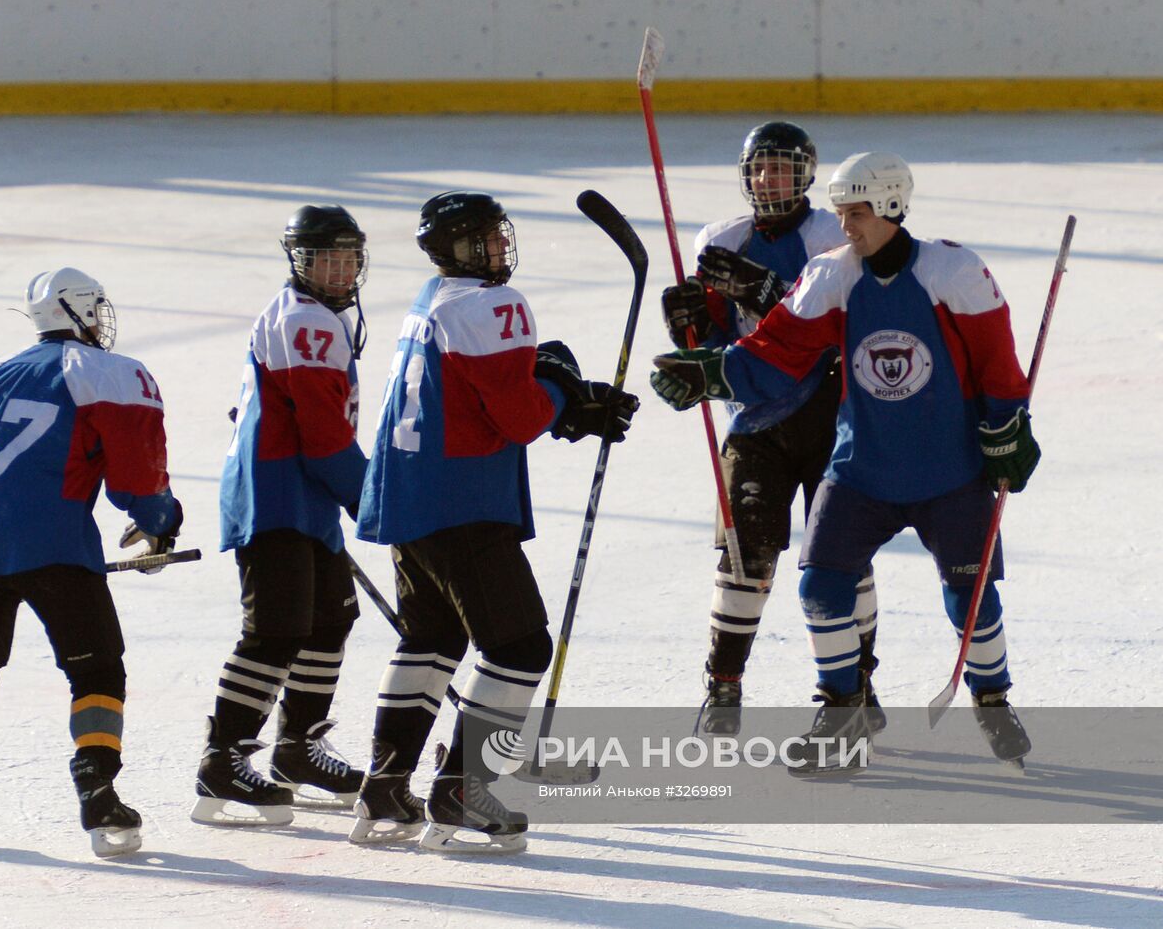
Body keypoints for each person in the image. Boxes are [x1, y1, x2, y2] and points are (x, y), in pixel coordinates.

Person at [651, 152, 1039, 774]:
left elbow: (997, 361)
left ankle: (992, 697)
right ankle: (841, 710)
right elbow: (777, 352)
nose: (846, 226)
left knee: (971, 598)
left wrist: (1007, 426)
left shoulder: (954, 270)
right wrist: (716, 374)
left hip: (951, 469)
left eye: (856, 213)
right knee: (820, 584)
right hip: (863, 467)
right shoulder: (832, 275)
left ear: (889, 208)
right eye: (841, 213)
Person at [349, 191, 638, 852]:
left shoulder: (433, 298)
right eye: (486, 239)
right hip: (463, 502)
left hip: (411, 499)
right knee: (518, 648)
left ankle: (386, 788)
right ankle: (463, 791)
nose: (501, 247)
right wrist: (563, 393)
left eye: (500, 235)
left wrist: (570, 401)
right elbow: (519, 416)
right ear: (456, 249)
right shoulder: (494, 304)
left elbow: (483, 397)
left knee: (431, 639)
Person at [0, 267, 182, 856]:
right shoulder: (110, 372)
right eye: (94, 310)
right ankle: (98, 792)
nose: (102, 321)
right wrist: (161, 523)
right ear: (77, 312)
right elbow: (136, 472)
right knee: (97, 667)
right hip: (51, 540)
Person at [660, 121, 879, 736]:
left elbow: (843, 323)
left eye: (781, 167)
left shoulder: (831, 237)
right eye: (758, 167)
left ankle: (860, 682)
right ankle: (723, 686)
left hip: (835, 419)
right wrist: (686, 328)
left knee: (843, 560)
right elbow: (715, 343)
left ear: (807, 174)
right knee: (744, 558)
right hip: (755, 423)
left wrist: (765, 288)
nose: (767, 179)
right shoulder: (720, 237)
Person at [196, 205, 370, 826]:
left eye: (349, 257)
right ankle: (224, 759)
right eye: (327, 258)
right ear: (301, 261)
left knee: (330, 619)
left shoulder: (313, 318)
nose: (341, 269)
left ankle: (297, 747)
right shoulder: (306, 321)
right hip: (276, 491)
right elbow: (324, 434)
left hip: (305, 493)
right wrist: (372, 497)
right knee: (276, 628)